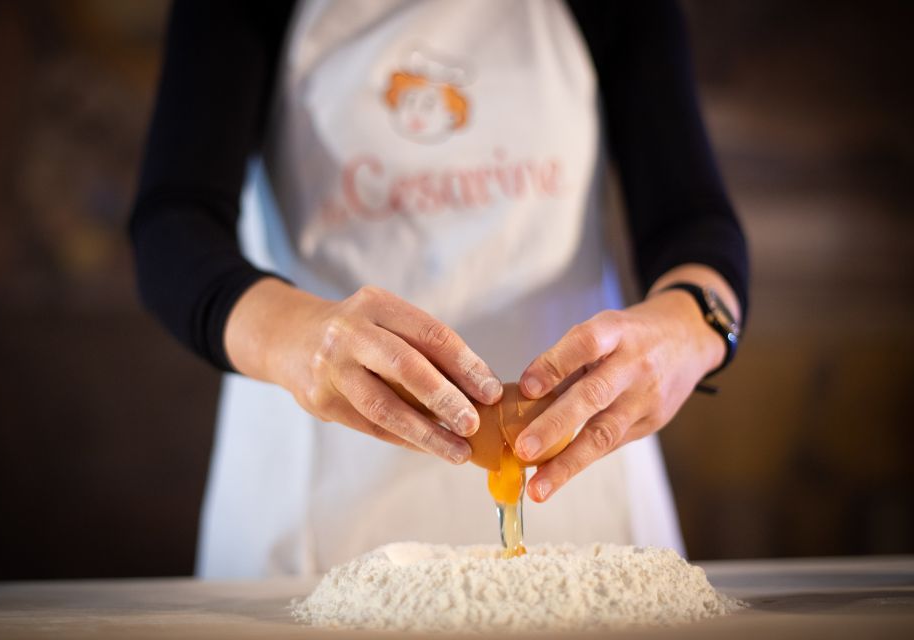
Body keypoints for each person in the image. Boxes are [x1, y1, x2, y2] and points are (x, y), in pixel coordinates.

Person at [129, 0, 748, 578]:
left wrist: (690, 327)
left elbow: (691, 221)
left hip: (585, 502)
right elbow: (174, 225)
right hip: (315, 509)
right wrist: (297, 335)